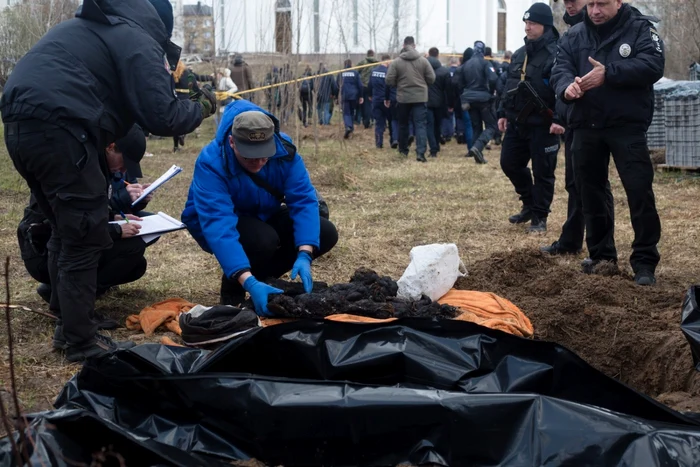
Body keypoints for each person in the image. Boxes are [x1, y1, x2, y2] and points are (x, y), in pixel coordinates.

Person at [1, 0, 216, 361]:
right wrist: (202, 105)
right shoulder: (136, 37)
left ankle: (67, 318)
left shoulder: (94, 29)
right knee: (84, 234)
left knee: (63, 225)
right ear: (160, 24)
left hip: (21, 124)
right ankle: (80, 342)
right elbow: (163, 115)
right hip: (64, 124)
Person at [181, 100, 339, 315]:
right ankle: (237, 282)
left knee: (325, 232)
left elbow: (302, 200)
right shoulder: (211, 162)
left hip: (263, 211)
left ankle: (263, 279)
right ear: (232, 142)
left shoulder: (285, 151)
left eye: (264, 154)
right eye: (249, 156)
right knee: (262, 240)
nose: (258, 162)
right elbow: (218, 223)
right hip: (220, 220)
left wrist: (304, 252)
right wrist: (246, 280)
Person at [551, 0, 664, 285]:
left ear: (618, 2)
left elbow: (653, 64)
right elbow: (559, 69)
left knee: (639, 191)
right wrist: (567, 88)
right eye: (590, 4)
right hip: (585, 125)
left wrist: (609, 73)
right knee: (590, 193)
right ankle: (602, 256)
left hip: (626, 126)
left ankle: (644, 262)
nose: (595, 11)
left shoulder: (639, 29)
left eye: (602, 4)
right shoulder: (574, 35)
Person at [17, 126, 154, 314]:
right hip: (42, 250)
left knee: (136, 265)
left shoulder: (95, 162)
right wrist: (116, 230)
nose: (123, 171)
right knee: (132, 248)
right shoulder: (79, 168)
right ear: (110, 147)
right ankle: (73, 303)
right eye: (124, 163)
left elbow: (88, 209)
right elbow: (70, 222)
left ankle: (62, 291)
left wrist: (112, 217)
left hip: (61, 243)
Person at [541, 0, 615, 256]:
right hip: (575, 117)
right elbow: (560, 74)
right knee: (575, 182)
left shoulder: (603, 27)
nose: (569, 4)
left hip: (600, 120)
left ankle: (603, 247)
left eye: (574, 0)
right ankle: (571, 239)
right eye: (564, 1)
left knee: (594, 184)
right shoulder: (571, 32)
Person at [498, 3, 565, 234]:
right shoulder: (519, 54)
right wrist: (502, 113)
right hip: (518, 123)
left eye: (533, 23)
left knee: (543, 172)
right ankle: (528, 203)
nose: (527, 27)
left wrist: (559, 118)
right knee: (509, 163)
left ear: (545, 26)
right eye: (526, 23)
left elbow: (562, 89)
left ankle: (540, 216)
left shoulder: (557, 54)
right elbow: (508, 86)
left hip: (544, 126)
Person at [385, 36, 436, 162]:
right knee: (420, 125)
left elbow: (388, 80)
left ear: (403, 46)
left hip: (403, 97)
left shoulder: (397, 62)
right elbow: (432, 78)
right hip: (420, 97)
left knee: (403, 125)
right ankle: (420, 153)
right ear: (414, 46)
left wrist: (399, 84)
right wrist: (423, 84)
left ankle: (403, 151)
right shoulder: (423, 61)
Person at [458, 40, 498, 163]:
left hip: (469, 100)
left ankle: (475, 152)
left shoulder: (465, 64)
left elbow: (458, 82)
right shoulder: (486, 63)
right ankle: (478, 147)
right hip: (483, 99)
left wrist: (464, 95)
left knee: (476, 127)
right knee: (491, 126)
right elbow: (493, 78)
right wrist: (491, 93)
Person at [426, 47, 452, 158]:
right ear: (438, 55)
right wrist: (450, 104)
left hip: (426, 100)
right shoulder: (444, 71)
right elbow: (448, 89)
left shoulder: (423, 70)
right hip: (440, 102)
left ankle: (433, 149)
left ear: (428, 54)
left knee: (429, 125)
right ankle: (436, 145)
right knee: (437, 125)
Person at [173, 60, 202, 152]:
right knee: (187, 120)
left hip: (176, 100)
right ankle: (183, 134)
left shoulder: (173, 75)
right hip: (187, 99)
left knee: (176, 123)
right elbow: (195, 88)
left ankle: (176, 147)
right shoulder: (189, 74)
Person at [368, 54, 394, 148]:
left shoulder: (373, 71)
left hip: (376, 100)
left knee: (379, 123)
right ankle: (393, 141)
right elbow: (391, 86)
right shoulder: (389, 72)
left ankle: (379, 143)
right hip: (387, 101)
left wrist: (370, 95)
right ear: (387, 61)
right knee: (391, 121)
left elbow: (370, 85)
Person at [337, 59, 364, 139]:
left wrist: (337, 95)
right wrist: (361, 96)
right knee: (352, 112)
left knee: (346, 113)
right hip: (354, 95)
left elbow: (337, 85)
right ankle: (351, 128)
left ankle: (348, 127)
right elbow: (360, 85)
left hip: (344, 95)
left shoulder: (341, 73)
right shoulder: (355, 73)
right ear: (351, 64)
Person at [357, 49, 379, 129]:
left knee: (364, 104)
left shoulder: (363, 62)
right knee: (372, 104)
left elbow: (356, 71)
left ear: (367, 55)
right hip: (373, 86)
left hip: (363, 85)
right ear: (373, 54)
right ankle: (372, 120)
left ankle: (365, 121)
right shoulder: (377, 63)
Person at [441, 57, 460, 142]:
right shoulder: (460, 71)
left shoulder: (446, 71)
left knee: (447, 115)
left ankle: (446, 133)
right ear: (458, 62)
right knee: (459, 116)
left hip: (447, 95)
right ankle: (458, 132)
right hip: (458, 95)